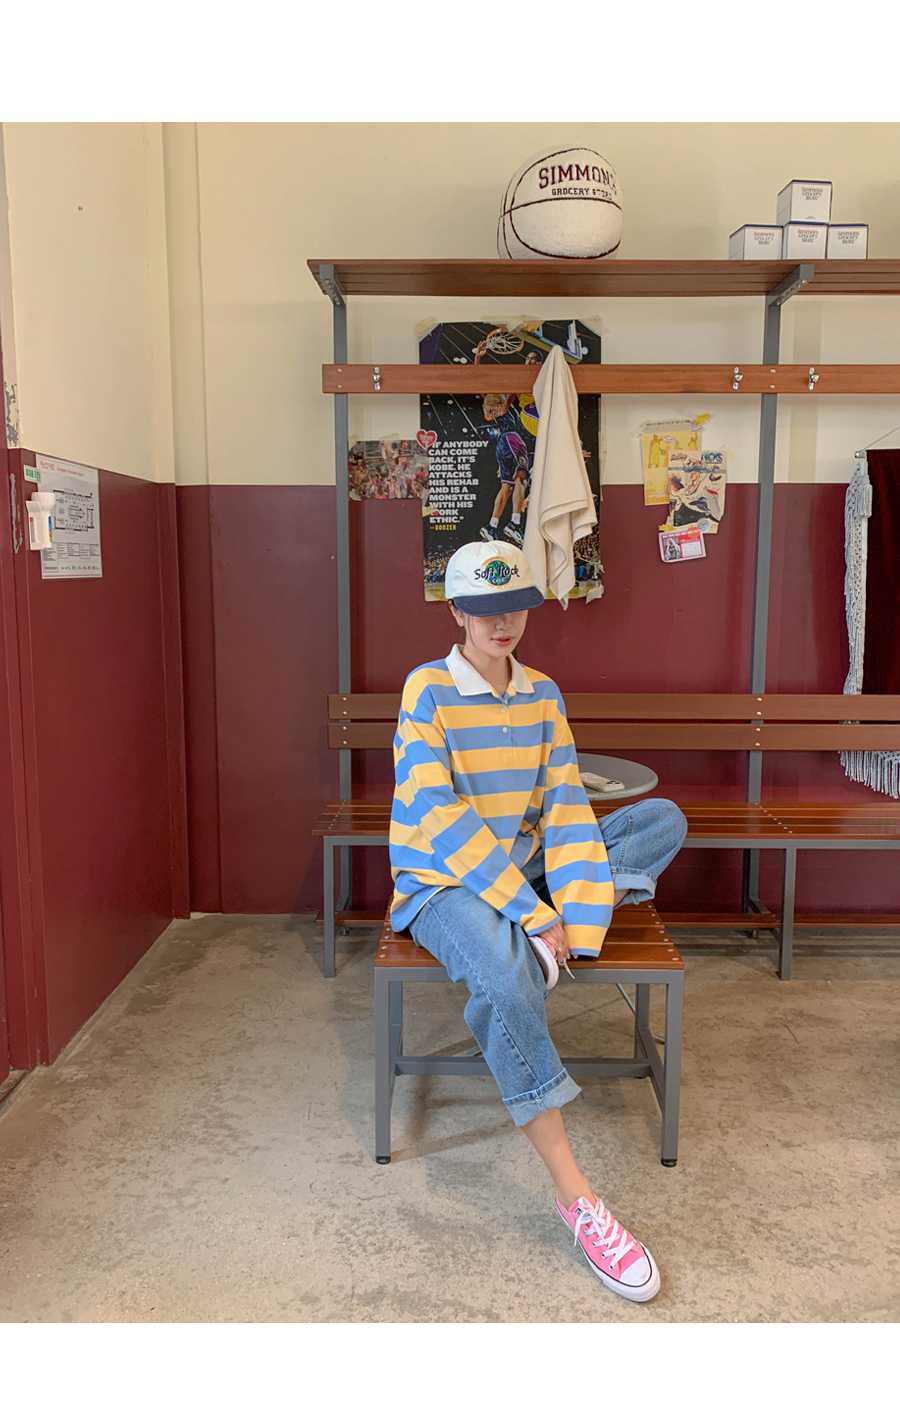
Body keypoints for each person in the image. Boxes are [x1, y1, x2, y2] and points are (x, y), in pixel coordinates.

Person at [389, 541, 687, 1303]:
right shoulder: (427, 691)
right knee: (502, 976)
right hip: (441, 881)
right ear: (457, 612)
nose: (503, 622)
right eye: (485, 609)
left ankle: (545, 942)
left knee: (660, 819)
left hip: (525, 873)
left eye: (515, 606)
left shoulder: (543, 694)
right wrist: (531, 909)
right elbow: (441, 820)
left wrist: (566, 915)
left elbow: (565, 804)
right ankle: (577, 1195)